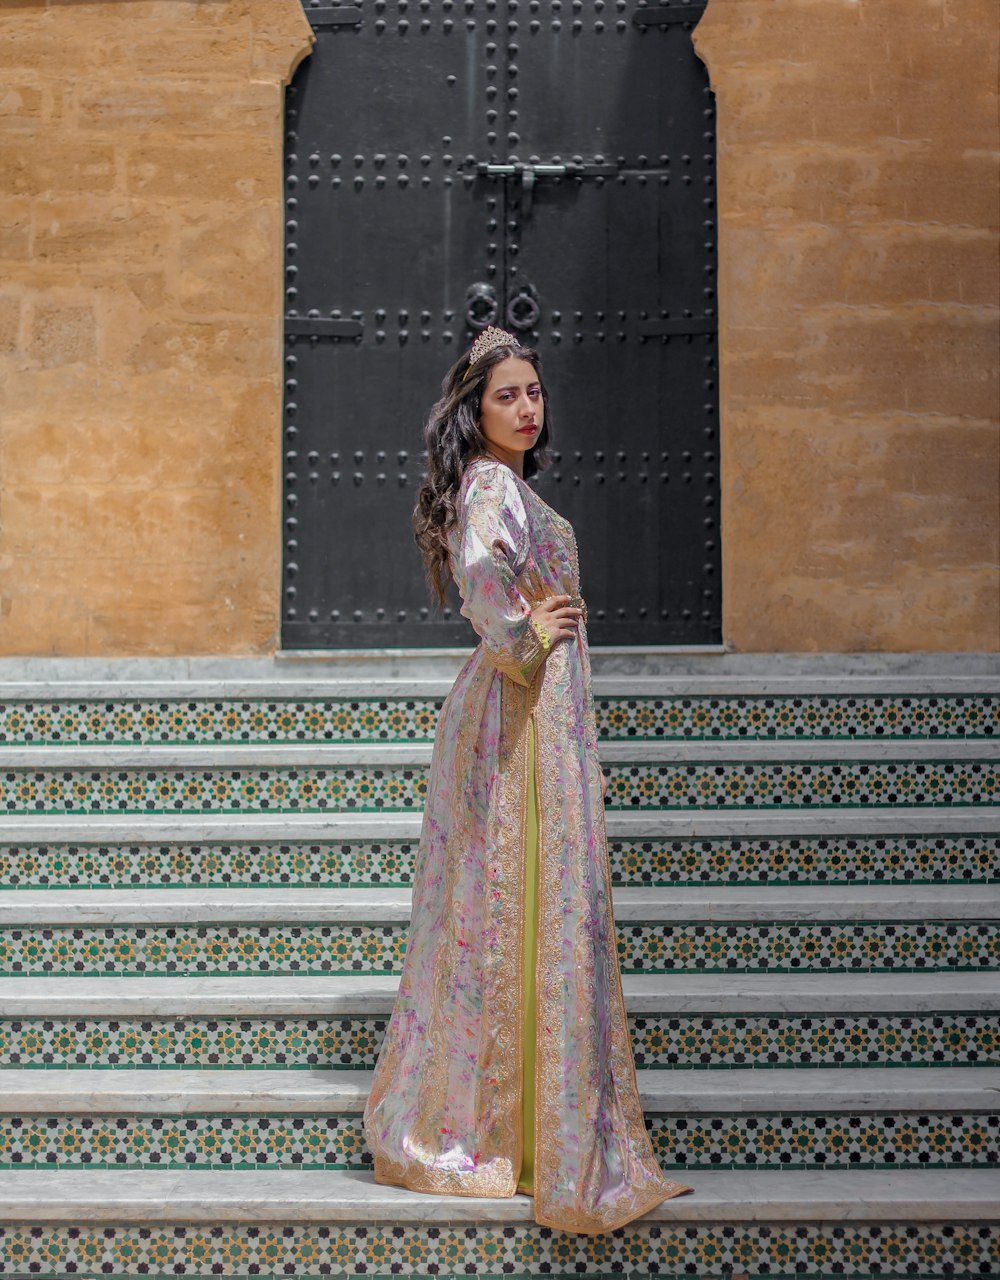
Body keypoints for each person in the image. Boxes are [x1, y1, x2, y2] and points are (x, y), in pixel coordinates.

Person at [362, 325, 691, 1233]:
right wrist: (529, 630)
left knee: (513, 906)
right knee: (514, 898)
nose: (527, 406)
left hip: (535, 706)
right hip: (520, 708)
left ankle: (517, 1127)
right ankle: (506, 1133)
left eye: (534, 392)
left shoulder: (503, 482)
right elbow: (482, 578)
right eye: (508, 395)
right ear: (476, 410)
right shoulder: (491, 482)